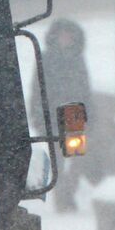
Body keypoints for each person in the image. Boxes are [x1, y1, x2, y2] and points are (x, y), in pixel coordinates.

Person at [34, 18, 94, 212]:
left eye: (69, 35)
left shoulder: (78, 59)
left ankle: (69, 193)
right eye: (63, 35)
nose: (66, 39)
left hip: (75, 114)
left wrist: (91, 115)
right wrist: (38, 117)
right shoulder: (46, 59)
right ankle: (63, 199)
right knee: (58, 160)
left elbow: (85, 89)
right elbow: (37, 90)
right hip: (53, 114)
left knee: (77, 158)